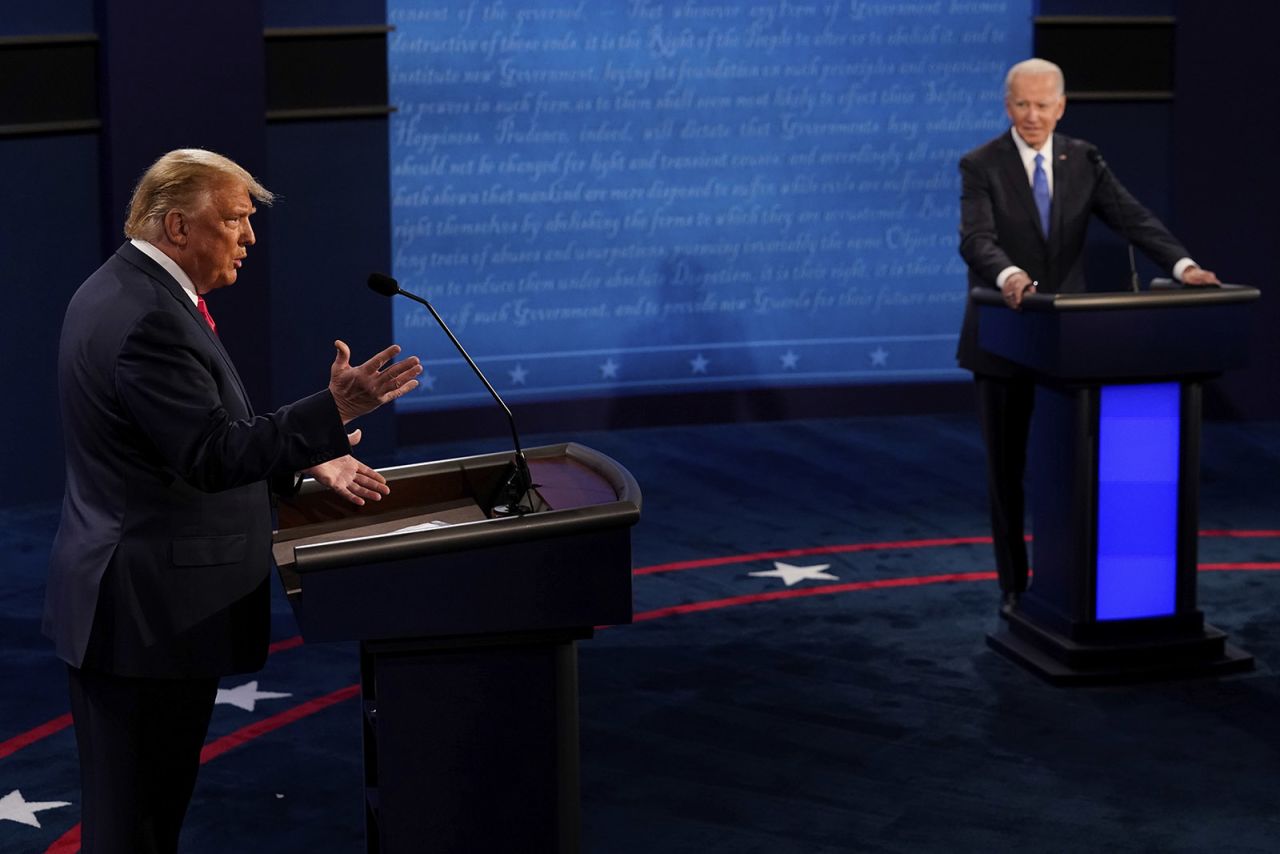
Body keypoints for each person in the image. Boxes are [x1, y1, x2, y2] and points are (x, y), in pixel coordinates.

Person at [42, 148, 422, 853]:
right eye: (237, 221)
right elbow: (211, 454)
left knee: (141, 818)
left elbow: (174, 447)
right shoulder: (149, 319)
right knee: (135, 824)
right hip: (146, 616)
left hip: (134, 607)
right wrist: (330, 411)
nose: (249, 238)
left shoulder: (122, 291)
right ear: (179, 227)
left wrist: (309, 459)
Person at [955, 58, 1219, 613]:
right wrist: (1009, 275)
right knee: (1006, 471)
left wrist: (1183, 267)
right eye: (1022, 104)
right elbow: (975, 239)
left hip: (1067, 343)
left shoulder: (1084, 160)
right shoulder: (981, 164)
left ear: (1061, 106)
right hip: (1001, 337)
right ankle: (1012, 585)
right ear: (1008, 105)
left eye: (1043, 104)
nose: (1032, 116)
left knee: (1066, 466)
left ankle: (1068, 577)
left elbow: (1135, 220)